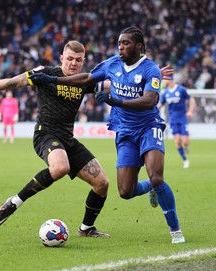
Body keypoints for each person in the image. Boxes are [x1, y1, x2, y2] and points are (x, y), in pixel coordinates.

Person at [29, 27, 185, 244]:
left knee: (157, 175)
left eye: (126, 43)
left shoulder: (151, 69)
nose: (120, 47)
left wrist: (117, 101)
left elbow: (150, 100)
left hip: (149, 127)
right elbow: (85, 79)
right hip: (124, 132)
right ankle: (151, 187)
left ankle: (175, 230)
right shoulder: (112, 64)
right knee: (125, 191)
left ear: (139, 46)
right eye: (119, 43)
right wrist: (51, 80)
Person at [0, 41, 111, 237]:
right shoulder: (46, 73)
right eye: (69, 59)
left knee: (102, 183)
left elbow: (114, 84)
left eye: (78, 60)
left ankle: (86, 229)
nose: (73, 63)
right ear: (61, 58)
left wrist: (146, 78)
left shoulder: (83, 80)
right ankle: (14, 202)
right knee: (60, 168)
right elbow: (13, 81)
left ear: (83, 61)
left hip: (68, 139)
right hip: (46, 134)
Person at [158, 77, 195, 168]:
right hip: (173, 120)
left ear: (170, 80)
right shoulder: (165, 93)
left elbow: (191, 99)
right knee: (178, 142)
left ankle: (186, 146)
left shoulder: (181, 89)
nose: (163, 82)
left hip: (183, 119)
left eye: (164, 80)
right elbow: (160, 104)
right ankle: (185, 160)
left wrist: (190, 111)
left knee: (185, 142)